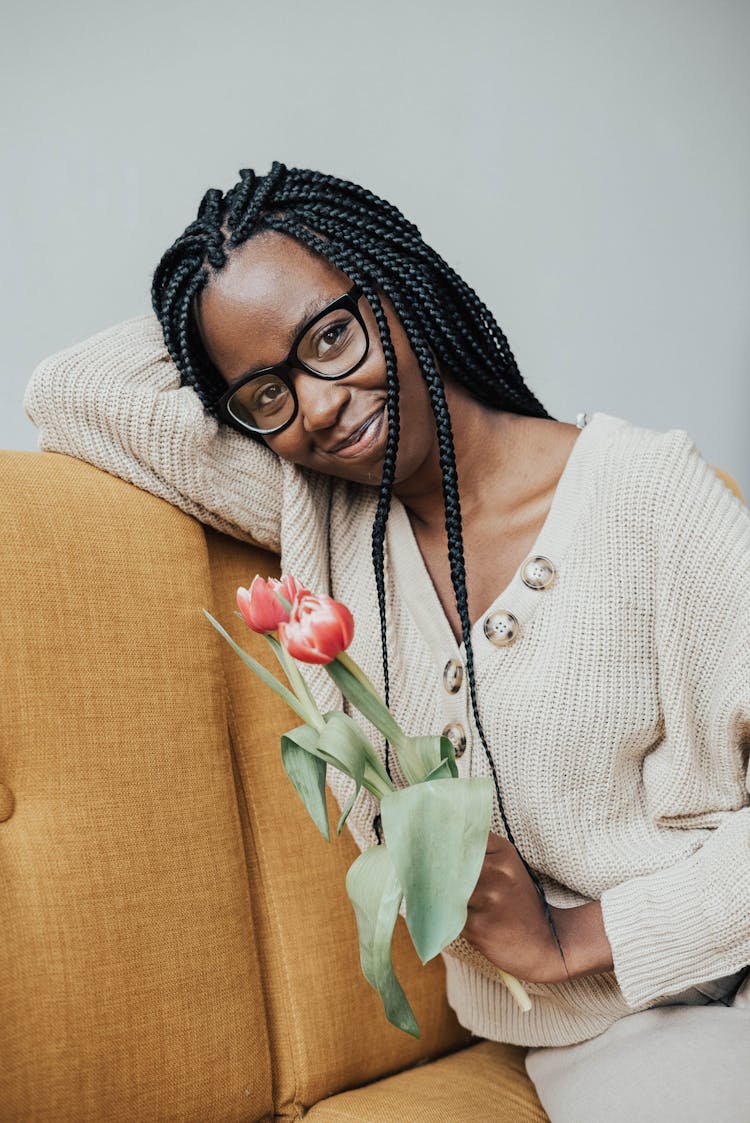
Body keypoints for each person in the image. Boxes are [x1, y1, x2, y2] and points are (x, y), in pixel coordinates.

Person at [24, 162, 750, 1121]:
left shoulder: (650, 494)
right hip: (619, 1033)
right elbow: (70, 390)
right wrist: (227, 293)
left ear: (402, 282)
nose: (319, 404)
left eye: (332, 335)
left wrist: (582, 936)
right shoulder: (324, 520)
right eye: (265, 394)